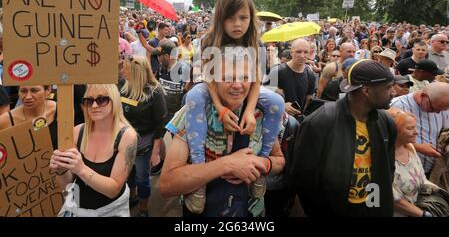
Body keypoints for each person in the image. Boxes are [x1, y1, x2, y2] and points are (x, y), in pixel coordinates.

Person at [182, 0, 285, 214]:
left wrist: (249, 111)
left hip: (247, 88)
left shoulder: (255, 42)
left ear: (251, 18)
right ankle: (199, 175)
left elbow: (256, 81)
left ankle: (260, 165)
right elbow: (208, 79)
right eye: (231, 17)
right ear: (221, 18)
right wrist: (219, 107)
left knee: (277, 100)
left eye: (243, 17)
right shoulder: (209, 40)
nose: (237, 24)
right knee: (193, 96)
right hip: (214, 88)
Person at [160, 54, 285, 217]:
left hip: (250, 212)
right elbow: (167, 185)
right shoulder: (193, 113)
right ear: (214, 81)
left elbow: (279, 161)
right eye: (227, 78)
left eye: (244, 77)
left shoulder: (263, 114)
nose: (238, 85)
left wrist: (262, 163)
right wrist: (227, 165)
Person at [288, 60, 397, 216]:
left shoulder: (386, 122)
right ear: (366, 90)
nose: (393, 92)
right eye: (388, 88)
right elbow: (303, 176)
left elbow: (388, 169)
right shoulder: (321, 121)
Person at [50, 84, 138, 217]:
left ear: (114, 100)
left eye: (102, 99)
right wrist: (61, 171)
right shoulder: (77, 132)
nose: (94, 106)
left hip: (112, 210)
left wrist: (81, 169)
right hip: (78, 207)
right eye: (89, 101)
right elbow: (67, 185)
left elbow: (113, 189)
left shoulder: (126, 136)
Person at [119, 55, 168, 217]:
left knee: (142, 178)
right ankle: (132, 197)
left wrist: (155, 153)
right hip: (125, 144)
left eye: (125, 68)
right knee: (128, 174)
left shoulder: (155, 92)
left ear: (136, 72)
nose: (122, 71)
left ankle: (143, 208)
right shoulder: (124, 86)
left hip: (144, 146)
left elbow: (160, 126)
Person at [387, 108, 446, 217]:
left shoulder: (409, 148)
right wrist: (423, 214)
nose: (416, 132)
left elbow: (422, 180)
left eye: (415, 127)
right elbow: (393, 199)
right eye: (410, 128)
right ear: (394, 130)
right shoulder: (382, 158)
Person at [391, 82, 449, 178]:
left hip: (432, 170)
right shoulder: (398, 106)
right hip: (405, 173)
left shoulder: (441, 106)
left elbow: (445, 130)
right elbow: (388, 138)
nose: (438, 112)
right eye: (434, 108)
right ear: (423, 95)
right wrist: (418, 147)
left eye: (442, 110)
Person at [268, 38, 316, 121]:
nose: (302, 55)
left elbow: (308, 100)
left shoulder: (310, 74)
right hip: (278, 119)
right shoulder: (277, 71)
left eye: (305, 52)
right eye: (298, 51)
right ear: (291, 53)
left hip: (299, 122)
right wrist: (282, 105)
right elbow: (267, 97)